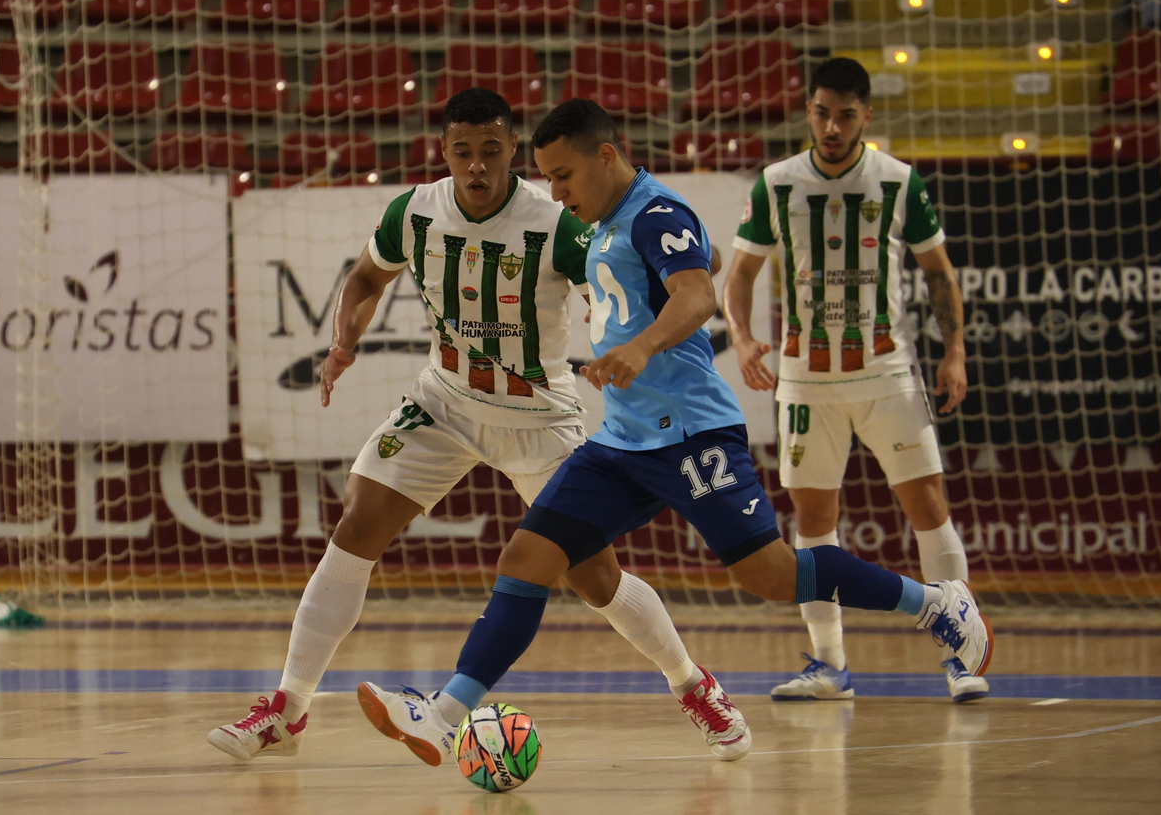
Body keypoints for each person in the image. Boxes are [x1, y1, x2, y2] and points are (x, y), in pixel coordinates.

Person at [355, 99, 994, 764]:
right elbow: (700, 259)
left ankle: (935, 604)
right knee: (526, 560)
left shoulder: (655, 210)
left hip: (691, 433)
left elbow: (697, 294)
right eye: (547, 178)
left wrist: (641, 346)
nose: (556, 192)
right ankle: (444, 715)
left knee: (770, 573)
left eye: (564, 175)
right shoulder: (607, 222)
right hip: (621, 442)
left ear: (606, 155)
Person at [208, 89, 751, 764]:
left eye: (491, 151)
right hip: (446, 402)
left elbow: (638, 275)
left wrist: (662, 289)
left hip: (539, 415)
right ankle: (287, 710)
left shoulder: (558, 222)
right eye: (462, 152)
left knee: (595, 579)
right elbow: (365, 278)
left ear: (513, 150)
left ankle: (693, 685)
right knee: (357, 524)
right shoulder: (414, 211)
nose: (476, 166)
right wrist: (345, 341)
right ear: (443, 151)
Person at [723, 57, 988, 704]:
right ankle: (829, 665)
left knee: (927, 505)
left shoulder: (897, 180)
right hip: (806, 379)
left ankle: (962, 657)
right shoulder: (777, 183)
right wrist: (743, 338)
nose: (832, 127)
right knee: (814, 517)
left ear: (866, 116)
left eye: (845, 115)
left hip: (887, 371)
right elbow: (739, 276)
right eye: (822, 113)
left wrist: (954, 351)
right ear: (807, 113)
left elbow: (939, 272)